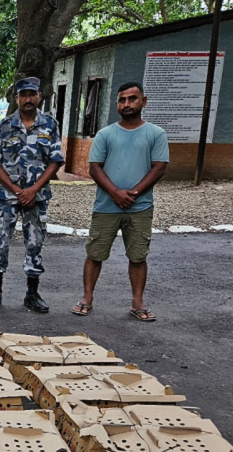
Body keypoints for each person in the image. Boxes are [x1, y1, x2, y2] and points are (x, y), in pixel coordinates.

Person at [72, 82, 168, 322]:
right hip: (106, 206)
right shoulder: (106, 134)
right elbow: (95, 168)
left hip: (140, 207)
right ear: (117, 104)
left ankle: (138, 302)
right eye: (122, 100)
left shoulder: (156, 134)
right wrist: (115, 193)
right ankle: (86, 298)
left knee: (137, 256)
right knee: (95, 253)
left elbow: (159, 167)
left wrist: (133, 193)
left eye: (132, 99)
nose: (127, 104)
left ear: (143, 102)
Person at [0, 76, 64, 313]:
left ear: (39, 96)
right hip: (6, 198)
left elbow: (55, 160)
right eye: (23, 95)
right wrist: (18, 190)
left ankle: (32, 294)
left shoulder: (50, 125)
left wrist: (33, 189)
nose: (27, 99)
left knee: (35, 243)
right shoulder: (4, 126)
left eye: (31, 94)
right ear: (17, 98)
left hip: (36, 198)